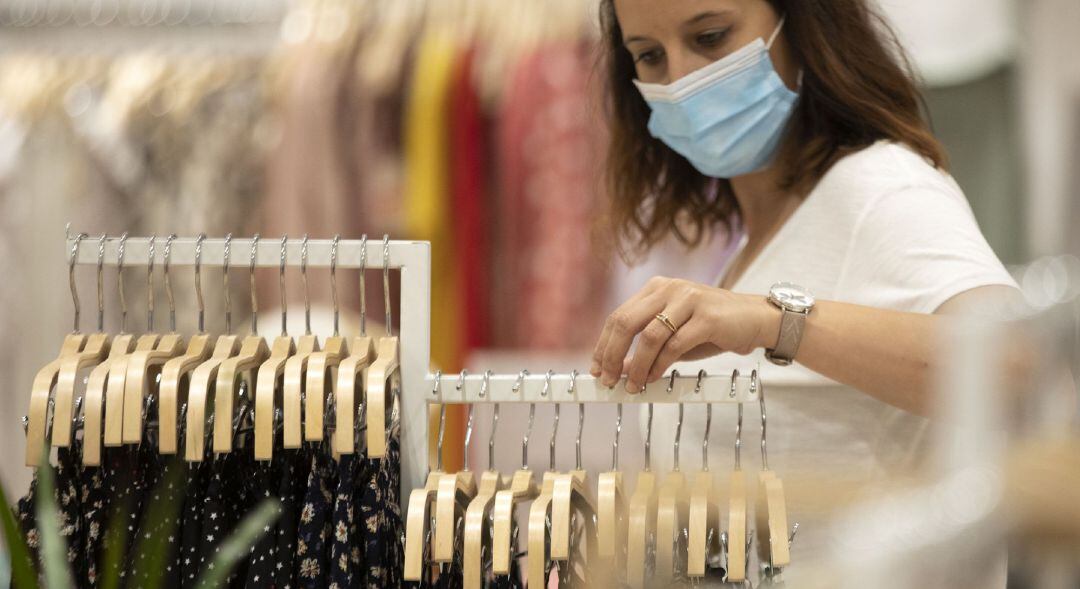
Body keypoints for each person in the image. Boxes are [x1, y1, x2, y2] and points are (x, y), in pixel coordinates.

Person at [590, 0, 1020, 578]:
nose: (681, 80)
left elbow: (1019, 369)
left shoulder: (884, 190)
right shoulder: (753, 242)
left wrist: (777, 322)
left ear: (805, 26)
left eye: (712, 37)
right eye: (649, 56)